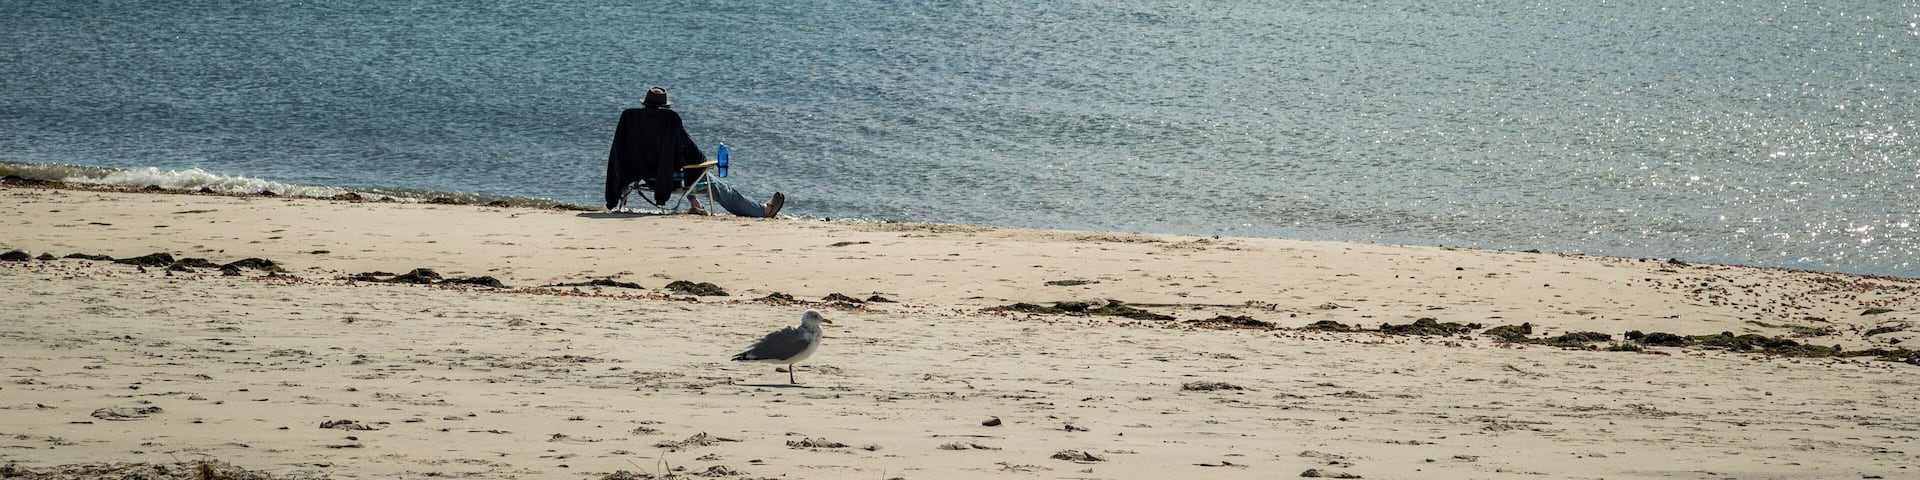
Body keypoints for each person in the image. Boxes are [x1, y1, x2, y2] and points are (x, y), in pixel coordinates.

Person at [603, 87, 785, 217]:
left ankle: (694, 204)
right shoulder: (670, 121)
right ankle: (763, 211)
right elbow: (696, 157)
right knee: (718, 186)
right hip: (670, 181)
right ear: (666, 107)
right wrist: (704, 161)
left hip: (645, 178)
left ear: (645, 105)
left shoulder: (633, 122)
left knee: (682, 168)